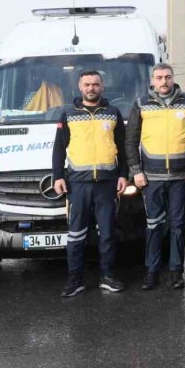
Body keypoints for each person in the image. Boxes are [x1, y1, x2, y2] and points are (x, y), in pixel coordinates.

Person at [126, 63, 185, 290]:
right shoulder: (141, 104)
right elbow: (130, 140)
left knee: (178, 225)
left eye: (168, 77)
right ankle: (152, 272)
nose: (164, 82)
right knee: (153, 225)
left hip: (182, 177)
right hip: (151, 178)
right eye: (159, 77)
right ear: (152, 80)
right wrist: (136, 171)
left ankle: (176, 271)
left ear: (173, 78)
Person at [51, 70, 128, 298]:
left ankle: (107, 276)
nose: (91, 88)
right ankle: (75, 280)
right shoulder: (67, 114)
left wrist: (123, 175)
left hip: (107, 183)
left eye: (95, 84)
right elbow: (58, 149)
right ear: (80, 86)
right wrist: (58, 176)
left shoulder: (113, 113)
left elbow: (122, 148)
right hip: (78, 184)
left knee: (107, 233)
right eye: (87, 85)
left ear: (102, 86)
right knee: (76, 235)